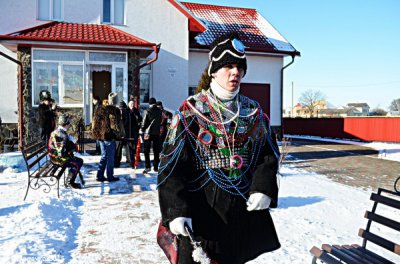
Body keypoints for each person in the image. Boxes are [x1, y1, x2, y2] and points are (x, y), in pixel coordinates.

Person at [157, 33, 281, 264]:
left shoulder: (253, 113)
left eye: (239, 67)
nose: (235, 72)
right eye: (228, 66)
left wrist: (263, 187)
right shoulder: (190, 113)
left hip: (239, 215)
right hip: (200, 215)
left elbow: (268, 155)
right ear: (214, 70)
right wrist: (176, 210)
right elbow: (170, 167)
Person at [92, 92, 124, 182]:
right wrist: (120, 135)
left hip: (101, 136)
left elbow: (95, 123)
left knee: (104, 156)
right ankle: (110, 176)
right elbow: (116, 126)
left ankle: (100, 175)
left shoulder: (100, 109)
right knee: (110, 157)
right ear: (115, 101)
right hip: (109, 137)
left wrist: (97, 134)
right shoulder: (114, 111)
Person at [48, 113, 83, 189]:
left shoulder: (59, 131)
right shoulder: (60, 134)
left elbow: (63, 146)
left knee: (78, 160)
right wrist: (72, 147)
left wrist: (71, 144)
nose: (69, 125)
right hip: (58, 158)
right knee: (78, 162)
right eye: (68, 124)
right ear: (65, 124)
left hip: (56, 156)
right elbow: (60, 150)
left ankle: (70, 180)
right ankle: (69, 182)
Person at [140, 97, 162, 174]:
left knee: (146, 150)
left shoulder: (147, 111)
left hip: (147, 133)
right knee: (156, 151)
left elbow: (144, 123)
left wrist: (142, 129)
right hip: (156, 133)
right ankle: (156, 167)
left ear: (149, 103)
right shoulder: (159, 111)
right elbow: (160, 121)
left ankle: (147, 166)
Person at [125, 99, 142, 168]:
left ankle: (135, 159)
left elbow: (140, 119)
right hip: (128, 132)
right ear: (128, 105)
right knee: (129, 148)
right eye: (131, 104)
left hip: (135, 131)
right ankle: (131, 161)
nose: (132, 106)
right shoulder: (126, 111)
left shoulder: (136, 111)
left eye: (133, 104)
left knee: (135, 146)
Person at [115, 100, 129, 167]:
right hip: (122, 133)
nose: (121, 109)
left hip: (121, 133)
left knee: (119, 148)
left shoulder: (123, 113)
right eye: (120, 108)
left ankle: (118, 162)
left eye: (122, 108)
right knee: (121, 148)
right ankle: (118, 161)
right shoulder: (127, 112)